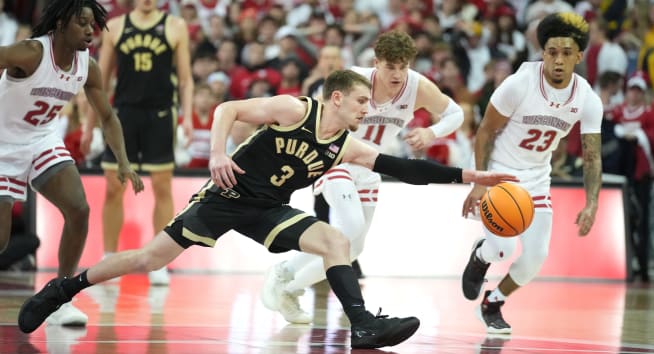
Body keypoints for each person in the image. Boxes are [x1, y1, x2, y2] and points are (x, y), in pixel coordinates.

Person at [18, 69, 517, 349]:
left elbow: (402, 168)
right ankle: (64, 288)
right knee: (148, 259)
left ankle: (363, 324)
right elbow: (227, 109)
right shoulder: (297, 111)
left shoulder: (343, 146)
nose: (369, 109)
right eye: (362, 100)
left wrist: (470, 177)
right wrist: (217, 153)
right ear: (338, 98)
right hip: (225, 197)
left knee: (335, 239)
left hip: (267, 208)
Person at [261, 30, 465, 324]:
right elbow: (315, 114)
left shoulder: (417, 87)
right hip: (336, 159)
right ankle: (283, 270)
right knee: (350, 225)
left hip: (371, 167)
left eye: (403, 66)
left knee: (355, 247)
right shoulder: (354, 79)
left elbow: (455, 113)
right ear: (376, 62)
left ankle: (289, 289)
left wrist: (431, 132)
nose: (397, 74)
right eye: (390, 66)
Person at [0, 0, 143, 327]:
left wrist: (123, 162)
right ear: (61, 24)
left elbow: (107, 116)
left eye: (93, 25)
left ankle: (58, 297)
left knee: (79, 210)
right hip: (3, 144)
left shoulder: (87, 66)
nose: (90, 32)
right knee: (1, 241)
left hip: (40, 139)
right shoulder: (31, 53)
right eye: (82, 24)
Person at [460, 13, 604, 334]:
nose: (558, 59)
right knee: (504, 249)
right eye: (551, 52)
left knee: (536, 258)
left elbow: (592, 157)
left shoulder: (587, 99)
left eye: (566, 53)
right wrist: (480, 182)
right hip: (499, 174)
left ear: (578, 57)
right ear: (543, 53)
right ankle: (482, 256)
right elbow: (484, 133)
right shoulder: (519, 84)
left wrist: (592, 203)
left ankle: (493, 302)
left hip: (537, 179)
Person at [92, 0, 193, 285]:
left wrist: (187, 116)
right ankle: (109, 257)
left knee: (162, 185)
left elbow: (185, 80)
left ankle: (159, 260)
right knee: (114, 186)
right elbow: (98, 79)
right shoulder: (116, 26)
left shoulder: (175, 26)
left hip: (161, 113)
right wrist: (89, 124)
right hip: (123, 113)